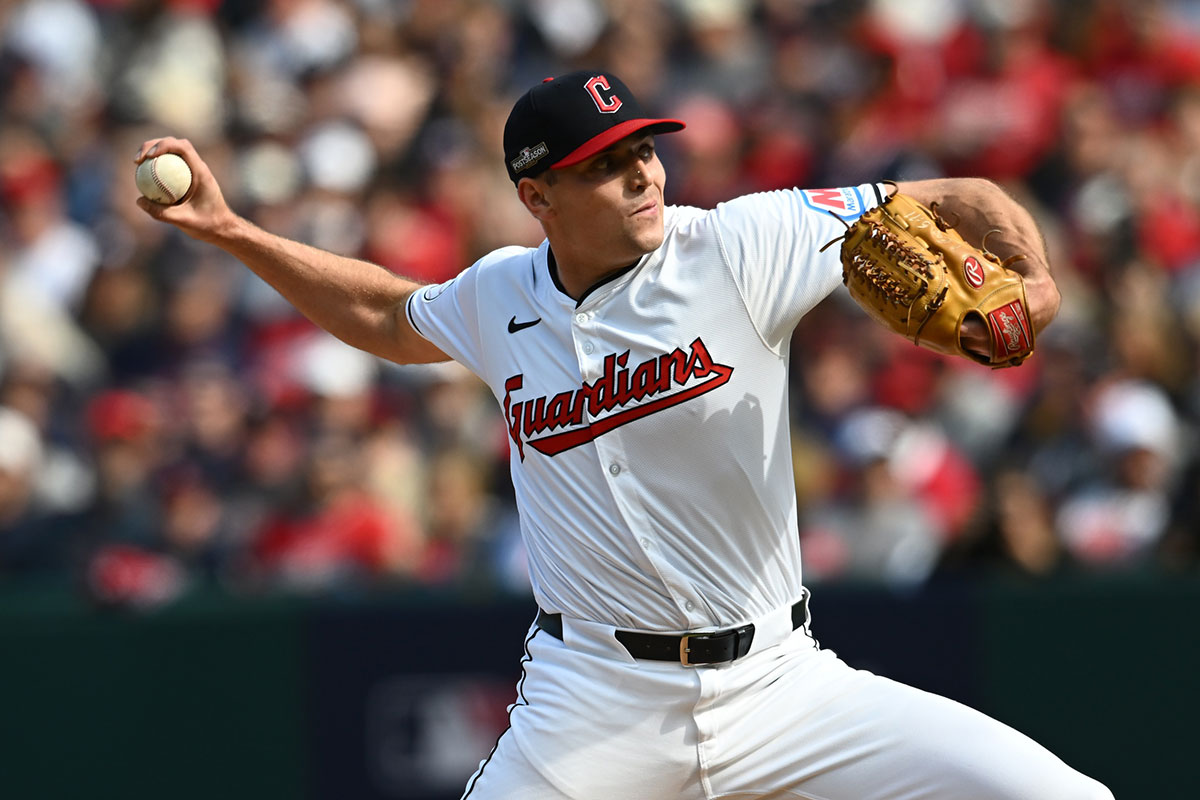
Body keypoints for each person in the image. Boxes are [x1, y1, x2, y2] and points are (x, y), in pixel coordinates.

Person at [136, 70, 1112, 799]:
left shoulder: (741, 244)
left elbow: (949, 201)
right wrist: (233, 233)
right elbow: (391, 318)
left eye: (642, 149)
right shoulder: (499, 296)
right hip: (593, 697)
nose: (640, 174)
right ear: (537, 198)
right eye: (603, 166)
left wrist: (1036, 282)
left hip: (782, 685)